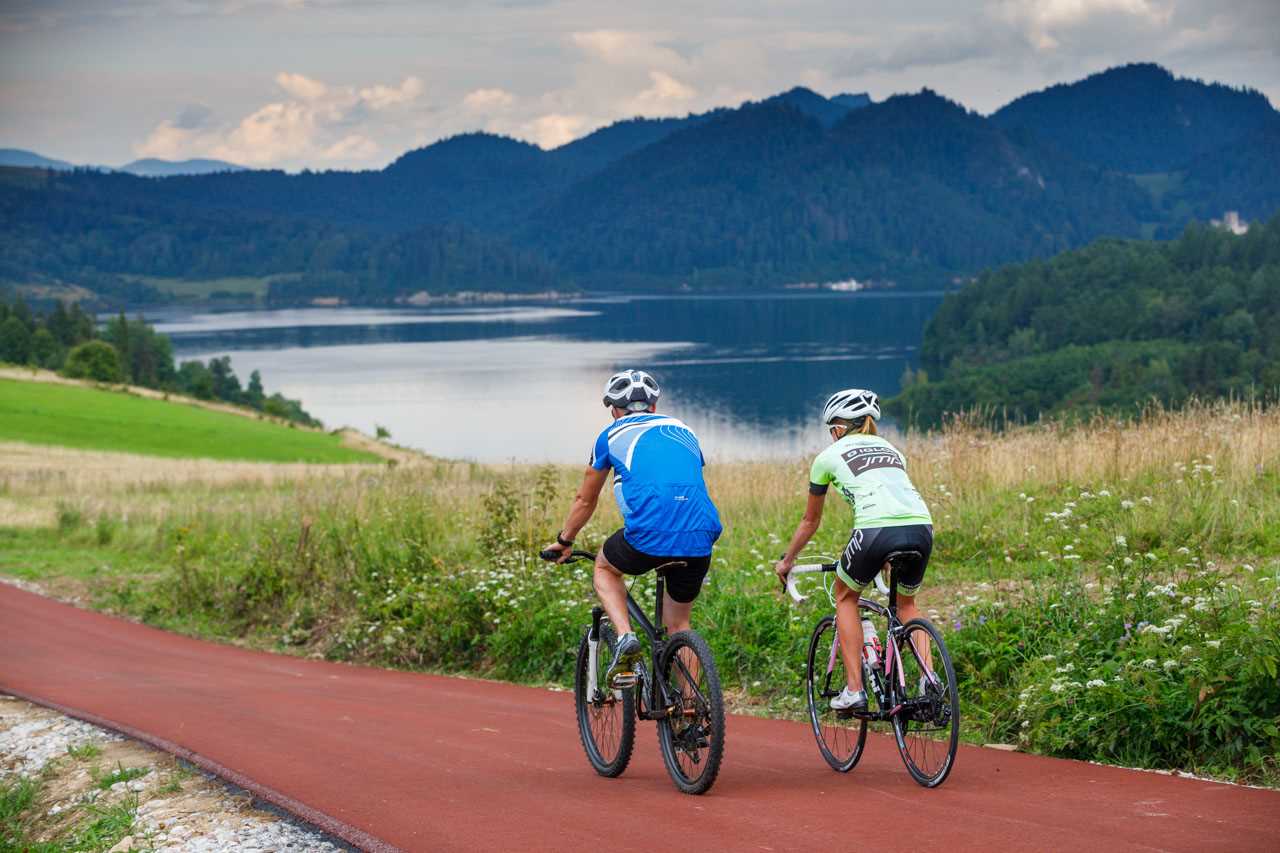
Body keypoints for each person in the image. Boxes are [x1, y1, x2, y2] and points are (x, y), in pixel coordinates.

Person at [543, 369, 722, 686]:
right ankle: (692, 718)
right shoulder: (684, 430)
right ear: (653, 406)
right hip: (701, 533)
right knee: (680, 625)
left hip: (648, 535)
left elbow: (586, 499)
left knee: (605, 567)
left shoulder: (610, 436)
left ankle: (626, 638)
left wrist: (565, 539)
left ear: (614, 410)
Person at [774, 388, 934, 712]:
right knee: (907, 604)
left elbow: (810, 521)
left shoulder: (826, 458)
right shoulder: (893, 450)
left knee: (845, 596)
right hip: (921, 527)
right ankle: (929, 679)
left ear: (840, 427)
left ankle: (854, 690)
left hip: (875, 529)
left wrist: (787, 561)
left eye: (832, 427)